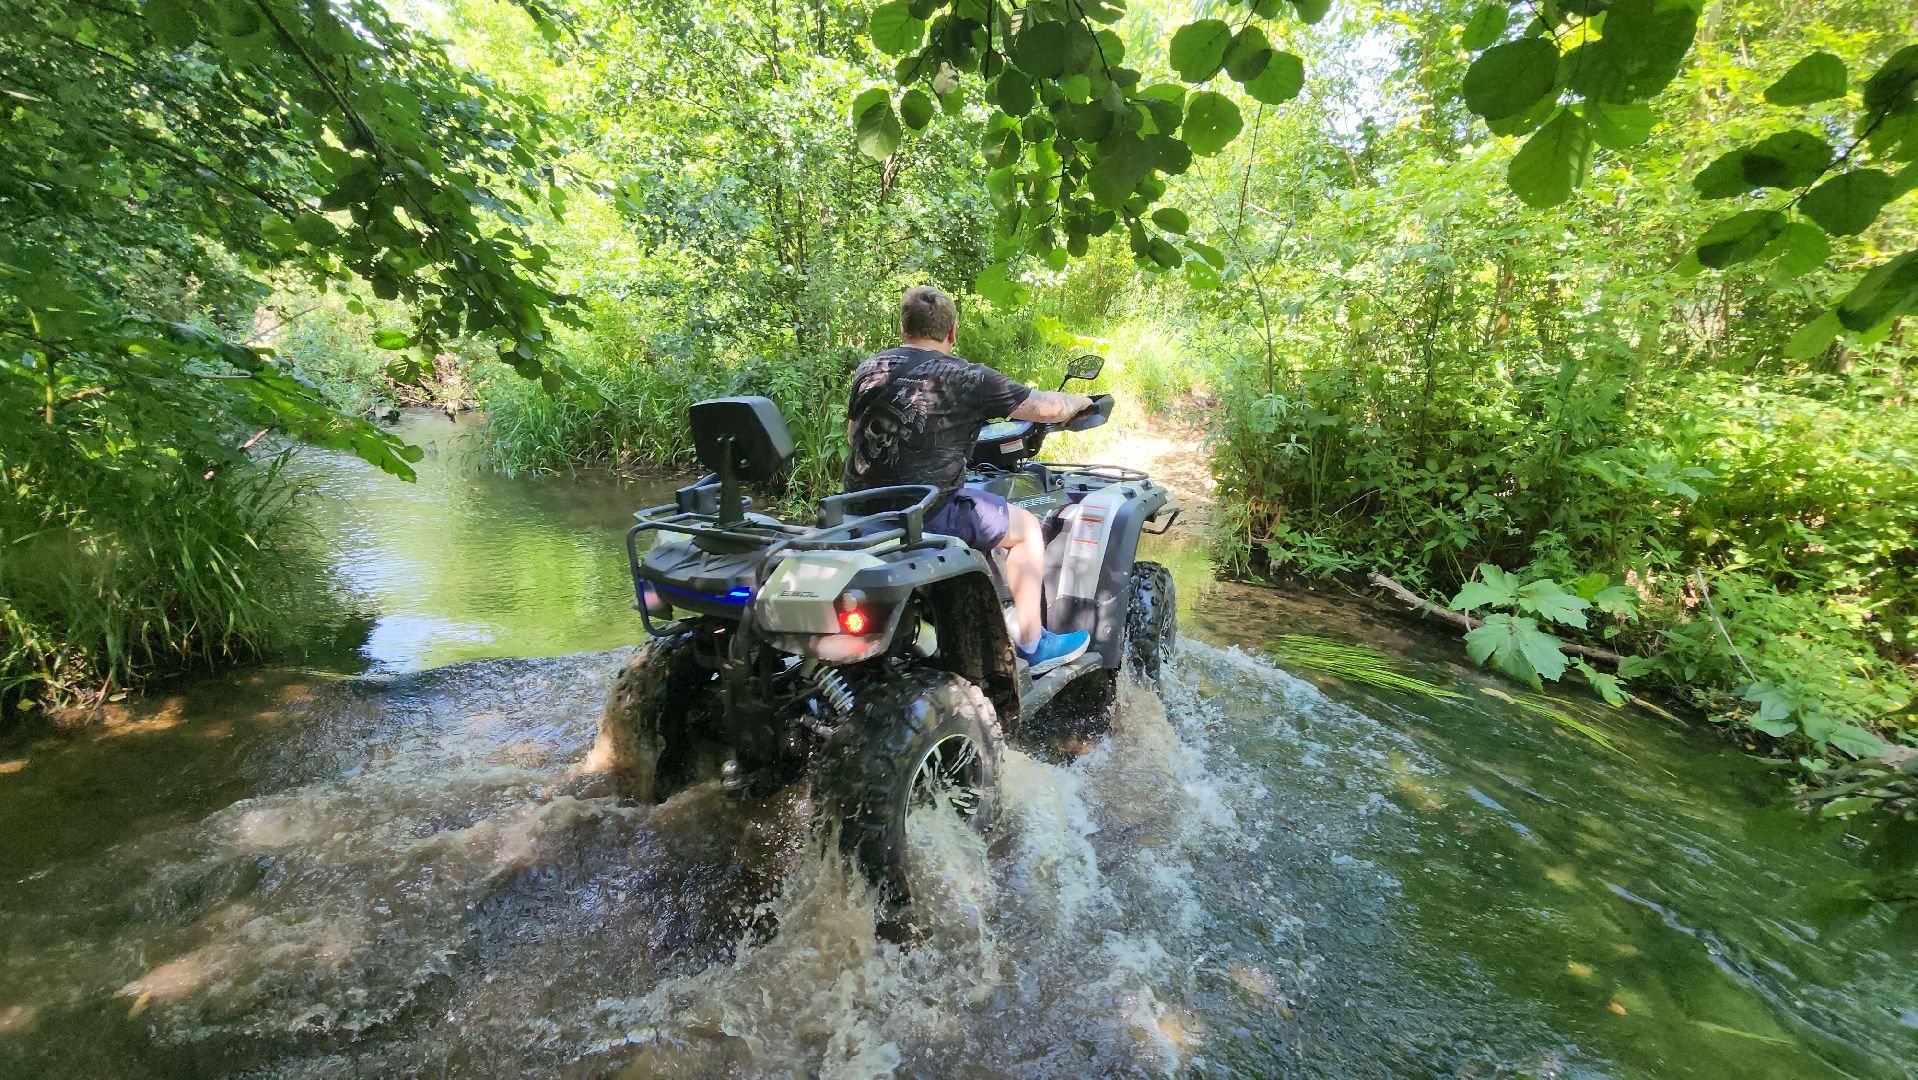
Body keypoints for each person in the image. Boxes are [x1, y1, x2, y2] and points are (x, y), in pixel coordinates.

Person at [844, 285, 1094, 674]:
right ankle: (1032, 643)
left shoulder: (869, 370)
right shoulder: (967, 377)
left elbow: (853, 436)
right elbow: (1047, 407)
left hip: (859, 511)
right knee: (1026, 528)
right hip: (926, 513)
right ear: (952, 332)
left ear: (903, 328)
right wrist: (1081, 401)